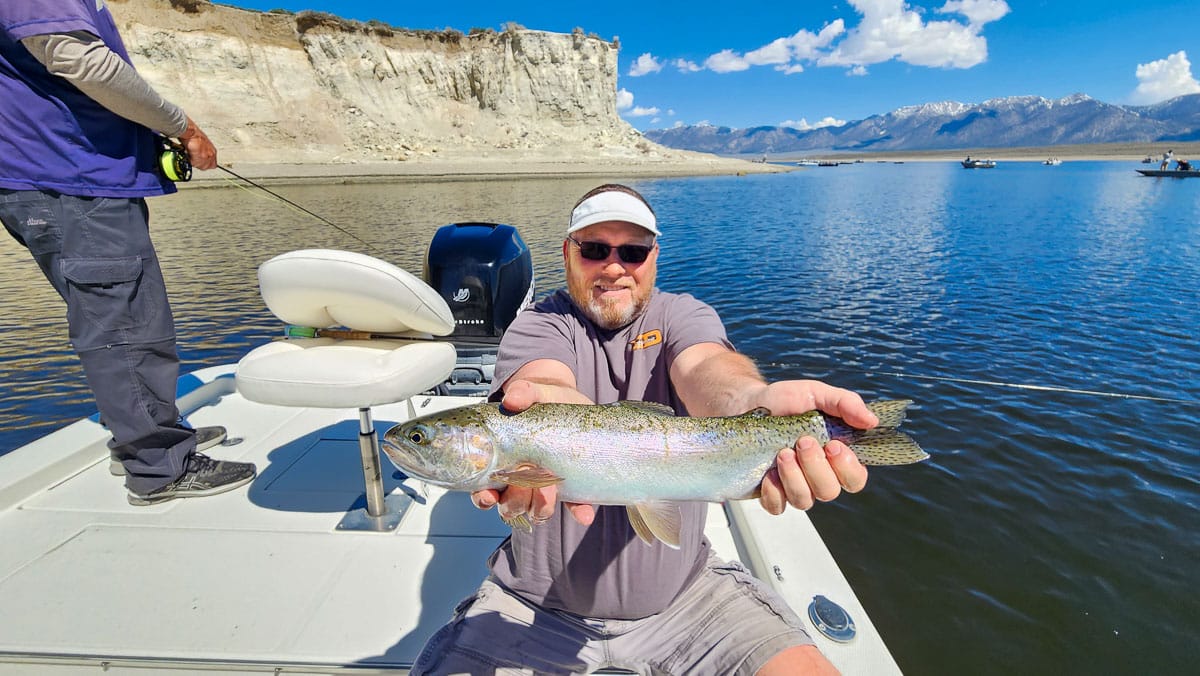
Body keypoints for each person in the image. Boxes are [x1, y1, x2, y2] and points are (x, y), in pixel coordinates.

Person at [411, 184, 880, 675]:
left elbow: (709, 373)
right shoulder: (538, 324)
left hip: (692, 598)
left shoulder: (683, 315)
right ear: (568, 253)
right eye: (594, 249)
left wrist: (753, 401)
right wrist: (552, 406)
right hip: (532, 607)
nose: (614, 267)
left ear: (653, 257)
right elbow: (544, 379)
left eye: (632, 252)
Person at [0, 1, 256, 505]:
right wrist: (183, 125)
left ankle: (148, 434)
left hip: (67, 186)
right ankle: (159, 463)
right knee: (126, 328)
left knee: (119, 320)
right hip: (74, 186)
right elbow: (82, 62)